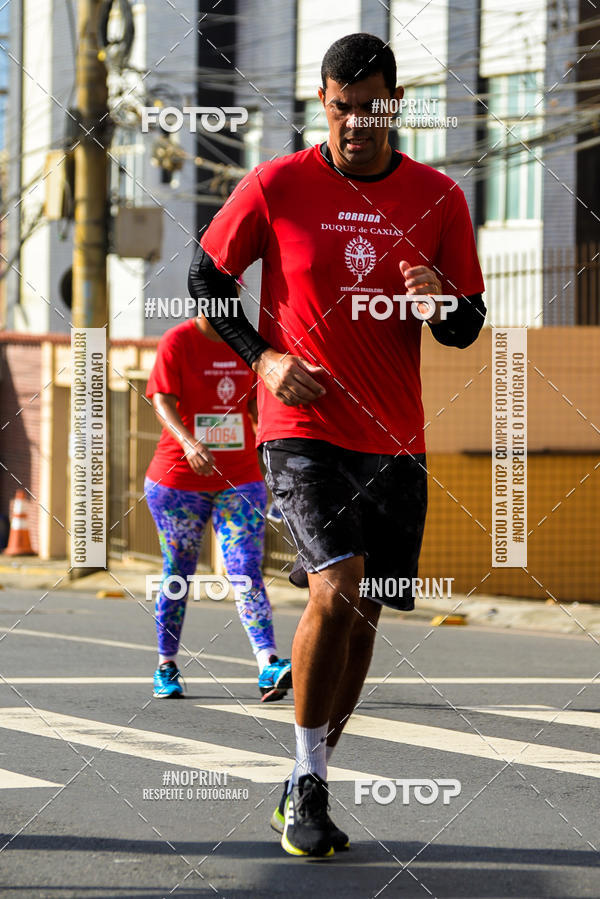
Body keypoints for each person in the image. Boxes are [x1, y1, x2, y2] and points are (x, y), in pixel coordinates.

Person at [188, 33, 486, 857]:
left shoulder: (438, 198)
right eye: (341, 107)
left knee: (365, 613)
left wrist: (438, 303)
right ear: (324, 101)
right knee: (339, 585)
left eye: (372, 107)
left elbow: (467, 324)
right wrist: (265, 358)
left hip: (396, 440)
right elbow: (207, 279)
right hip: (301, 428)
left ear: (395, 103)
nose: (356, 123)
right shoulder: (278, 184)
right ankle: (310, 780)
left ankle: (305, 778)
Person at [144, 312, 292, 702]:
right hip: (178, 480)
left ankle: (268, 663)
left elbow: (257, 406)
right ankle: (166, 664)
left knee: (244, 567)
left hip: (239, 477)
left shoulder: (247, 340)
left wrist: (273, 449)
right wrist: (189, 441)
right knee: (179, 570)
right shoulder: (178, 341)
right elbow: (160, 400)